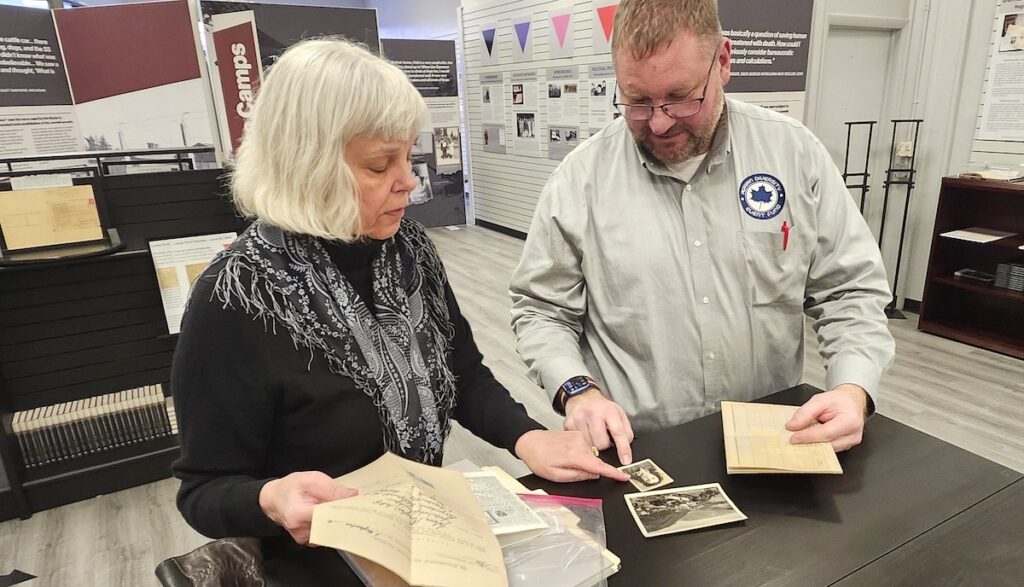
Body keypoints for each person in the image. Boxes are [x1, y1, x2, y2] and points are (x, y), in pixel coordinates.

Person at [172, 38, 628, 555]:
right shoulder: (233, 300)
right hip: (318, 562)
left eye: (408, 156)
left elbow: (461, 372)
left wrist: (526, 438)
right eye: (379, 165)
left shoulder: (406, 246)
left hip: (423, 538)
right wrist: (271, 498)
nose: (409, 182)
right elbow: (203, 489)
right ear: (307, 165)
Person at [510, 0, 895, 467]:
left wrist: (853, 389)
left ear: (724, 61)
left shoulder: (795, 155)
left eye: (680, 97)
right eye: (637, 101)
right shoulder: (581, 179)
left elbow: (850, 291)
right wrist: (577, 391)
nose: (659, 121)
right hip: (638, 453)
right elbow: (541, 311)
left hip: (772, 446)